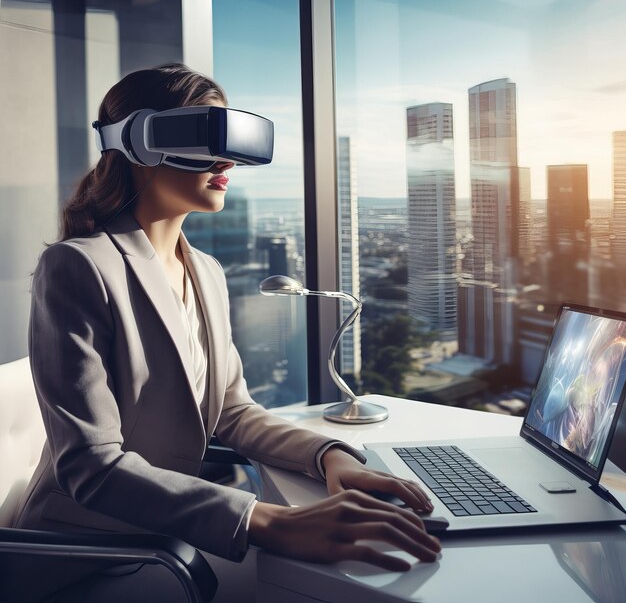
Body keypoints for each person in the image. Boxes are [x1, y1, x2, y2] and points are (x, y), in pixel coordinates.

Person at [13, 63, 441, 597]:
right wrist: (271, 522)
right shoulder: (77, 267)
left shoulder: (208, 273)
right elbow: (91, 466)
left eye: (233, 142)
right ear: (140, 142)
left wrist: (328, 456)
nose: (227, 161)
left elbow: (234, 412)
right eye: (206, 138)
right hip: (86, 556)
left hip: (169, 539)